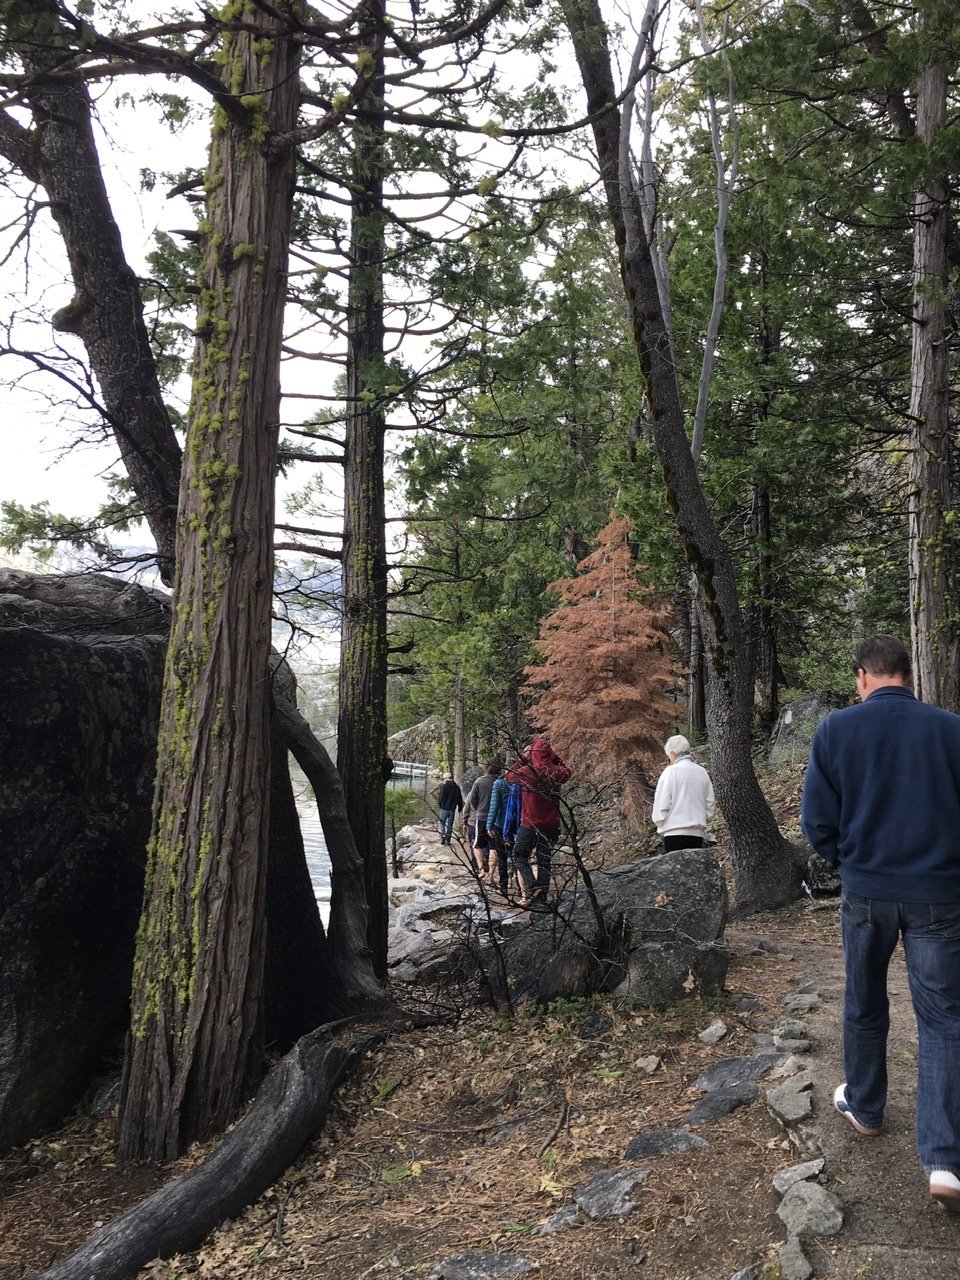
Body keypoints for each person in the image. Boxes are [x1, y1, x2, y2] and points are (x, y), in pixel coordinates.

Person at [800, 634, 960, 1213]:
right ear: (907, 675)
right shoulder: (951, 730)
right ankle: (945, 1161)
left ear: (863, 676)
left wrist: (849, 865)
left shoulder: (836, 730)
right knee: (943, 1019)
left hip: (867, 891)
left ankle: (866, 1107)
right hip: (939, 895)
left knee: (865, 1001)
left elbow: (817, 821)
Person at [506, 739, 570, 907]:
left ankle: (533, 886)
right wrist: (555, 758)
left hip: (530, 824)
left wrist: (524, 758)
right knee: (544, 862)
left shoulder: (527, 771)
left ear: (532, 754)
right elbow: (568, 772)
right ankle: (542, 901)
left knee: (519, 855)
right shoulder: (556, 772)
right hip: (551, 825)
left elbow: (509, 776)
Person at [651, 735, 715, 852]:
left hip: (673, 831)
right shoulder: (702, 772)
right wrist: (703, 819)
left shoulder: (670, 772)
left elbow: (662, 803)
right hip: (697, 833)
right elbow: (710, 802)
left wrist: (660, 822)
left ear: (673, 754)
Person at [464, 758, 502, 883]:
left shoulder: (479, 781)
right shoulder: (500, 782)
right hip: (496, 818)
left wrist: (479, 808)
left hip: (481, 817)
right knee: (493, 847)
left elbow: (472, 799)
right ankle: (491, 875)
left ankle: (481, 870)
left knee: (477, 844)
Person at [485, 771, 513, 896]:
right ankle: (519, 887)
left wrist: (489, 825)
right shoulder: (522, 783)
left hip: (501, 824)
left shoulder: (499, 784)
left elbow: (494, 806)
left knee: (502, 856)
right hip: (517, 824)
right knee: (517, 856)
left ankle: (504, 886)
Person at [435, 772, 463, 846]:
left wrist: (440, 805)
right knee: (450, 825)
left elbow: (440, 798)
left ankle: (443, 836)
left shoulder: (444, 786)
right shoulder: (457, 787)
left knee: (442, 823)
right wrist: (460, 808)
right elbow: (460, 799)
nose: (443, 780)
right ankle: (448, 840)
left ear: (446, 778)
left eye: (444, 778)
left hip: (444, 808)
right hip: (452, 809)